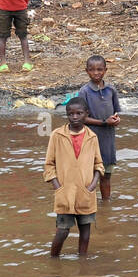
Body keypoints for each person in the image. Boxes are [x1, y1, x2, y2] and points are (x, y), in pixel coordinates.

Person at [44, 96, 104, 257]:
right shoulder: (57, 135)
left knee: (85, 232)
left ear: (86, 114)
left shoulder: (92, 137)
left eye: (79, 113)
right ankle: (53, 259)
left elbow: (99, 164)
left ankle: (82, 262)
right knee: (62, 231)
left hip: (86, 192)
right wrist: (58, 186)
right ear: (67, 115)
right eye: (71, 114)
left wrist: (92, 185)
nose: (75, 117)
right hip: (65, 192)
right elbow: (49, 165)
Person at [77, 55, 121, 201]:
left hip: (108, 141)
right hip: (90, 141)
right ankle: (88, 205)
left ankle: (106, 204)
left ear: (105, 70)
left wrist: (116, 120)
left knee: (106, 175)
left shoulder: (111, 90)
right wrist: (104, 122)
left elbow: (115, 112)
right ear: (86, 71)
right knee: (90, 176)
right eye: (92, 70)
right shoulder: (84, 92)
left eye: (99, 69)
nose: (96, 73)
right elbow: (80, 118)